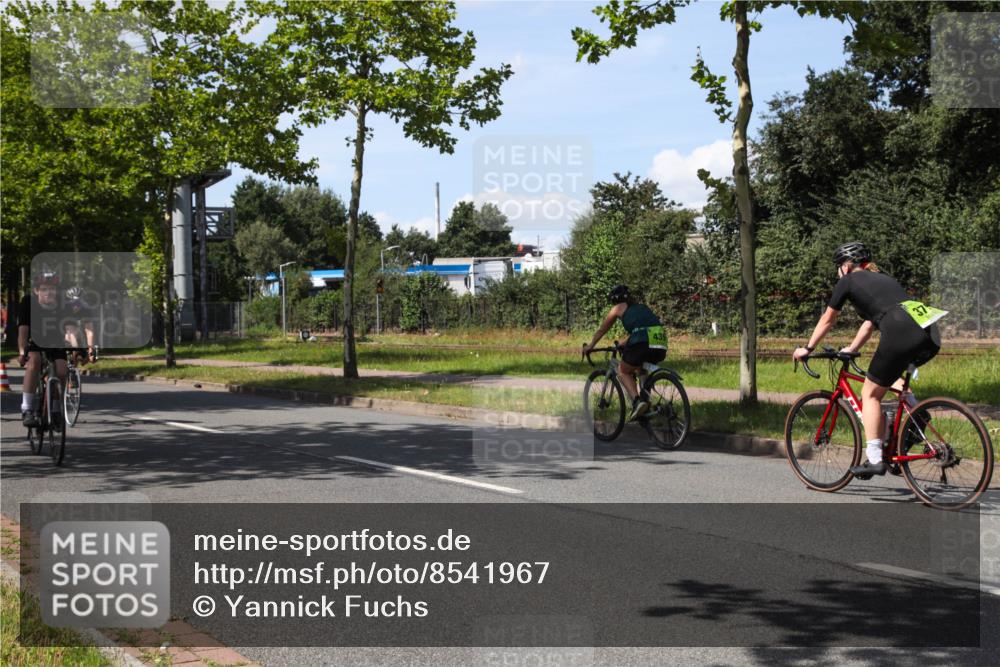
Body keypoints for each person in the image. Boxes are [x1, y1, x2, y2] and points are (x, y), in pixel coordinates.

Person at [792, 242, 943, 478]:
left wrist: (807, 348)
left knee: (870, 394)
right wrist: (852, 348)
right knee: (888, 378)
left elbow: (828, 319)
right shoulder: (884, 278)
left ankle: (874, 459)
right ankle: (916, 411)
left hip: (900, 331)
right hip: (929, 333)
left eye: (838, 266)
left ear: (847, 266)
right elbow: (869, 323)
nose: (837, 272)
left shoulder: (848, 281)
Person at [583, 285, 668, 421]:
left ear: (614, 300)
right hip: (661, 343)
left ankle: (637, 402)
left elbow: (602, 329)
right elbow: (644, 328)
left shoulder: (617, 308)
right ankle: (646, 404)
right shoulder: (642, 307)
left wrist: (590, 346)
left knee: (623, 370)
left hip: (642, 342)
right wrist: (624, 343)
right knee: (640, 368)